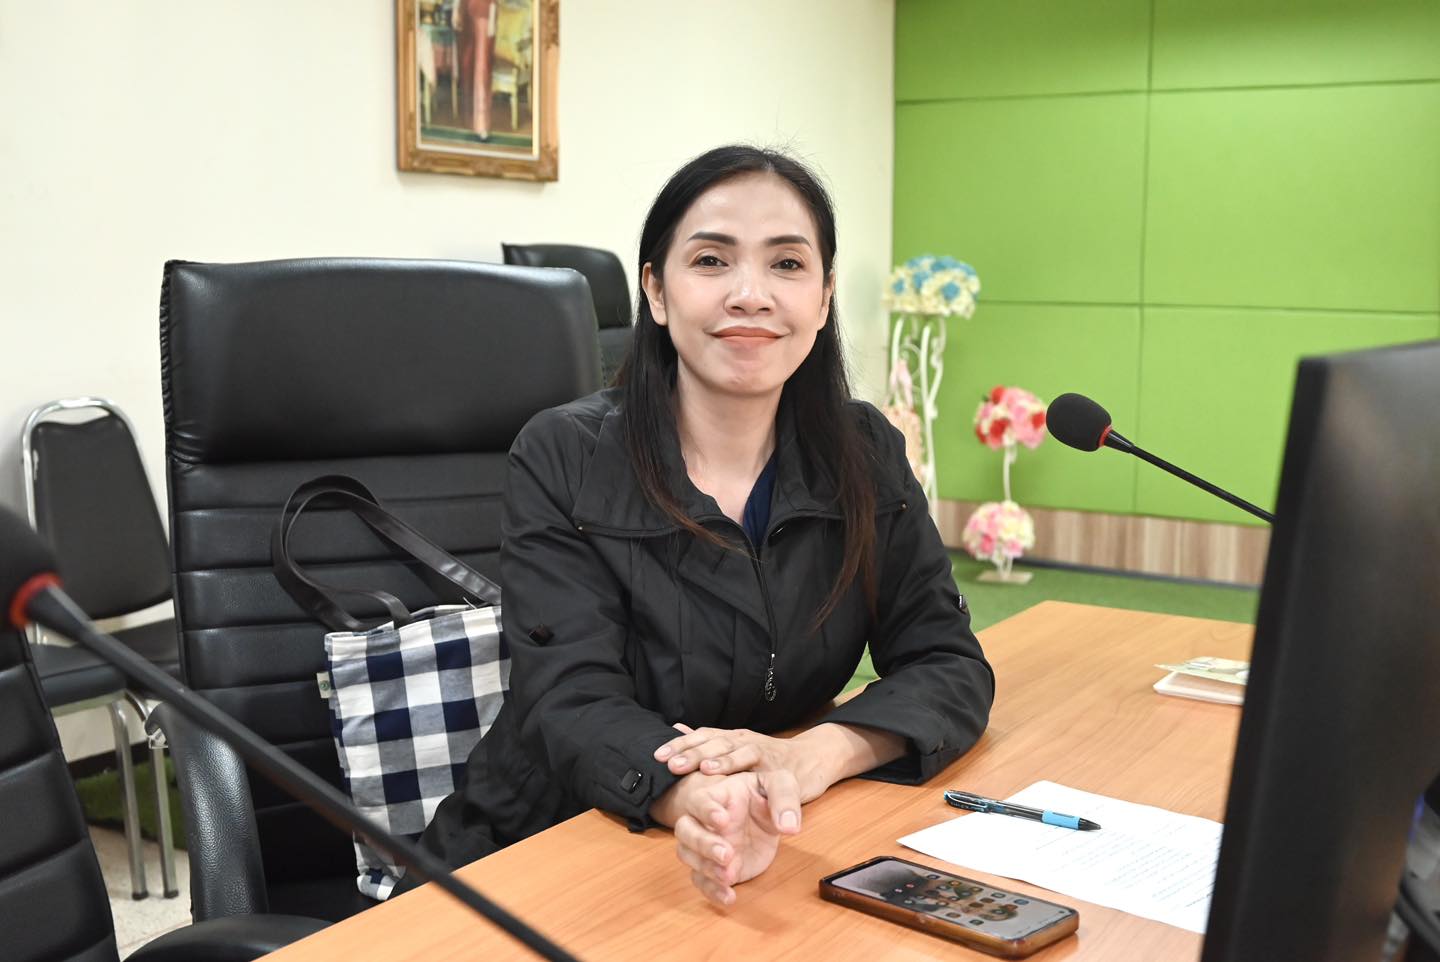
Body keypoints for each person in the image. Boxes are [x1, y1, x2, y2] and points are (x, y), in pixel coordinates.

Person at [409, 144, 995, 905]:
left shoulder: (864, 453)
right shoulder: (565, 455)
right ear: (656, 291)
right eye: (712, 261)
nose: (751, 295)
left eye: (787, 264)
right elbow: (571, 700)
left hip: (765, 839)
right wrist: (699, 799)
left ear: (823, 299)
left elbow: (947, 660)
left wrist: (811, 757)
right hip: (543, 845)